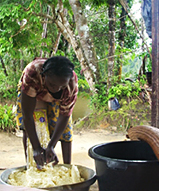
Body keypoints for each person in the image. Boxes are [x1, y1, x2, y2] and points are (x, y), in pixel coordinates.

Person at [15, 56, 78, 169]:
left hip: (55, 98)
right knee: (34, 128)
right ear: (44, 76)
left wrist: (51, 146)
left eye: (62, 86)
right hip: (33, 92)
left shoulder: (71, 85)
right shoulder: (32, 74)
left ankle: (67, 168)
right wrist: (36, 147)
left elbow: (65, 115)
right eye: (53, 85)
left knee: (66, 129)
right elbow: (27, 115)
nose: (57, 89)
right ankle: (31, 165)